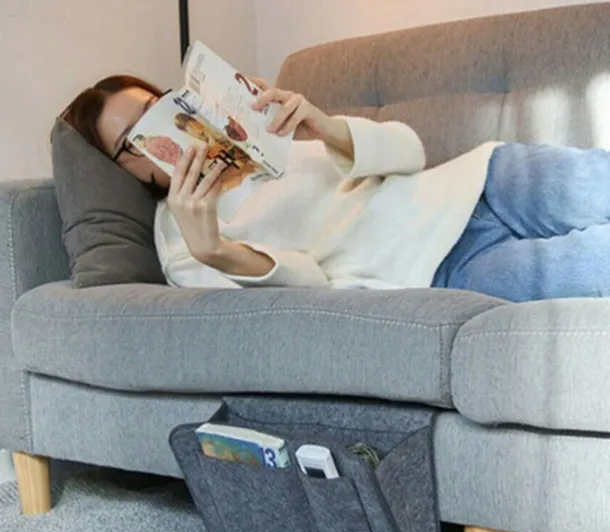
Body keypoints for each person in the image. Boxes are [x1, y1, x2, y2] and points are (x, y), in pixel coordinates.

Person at [59, 74, 610, 302]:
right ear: (123, 170)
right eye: (133, 141)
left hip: (479, 179)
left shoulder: (260, 136)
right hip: (438, 266)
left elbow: (412, 154)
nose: (159, 136)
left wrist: (325, 127)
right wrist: (218, 250)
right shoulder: (182, 242)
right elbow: (309, 287)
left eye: (158, 110)